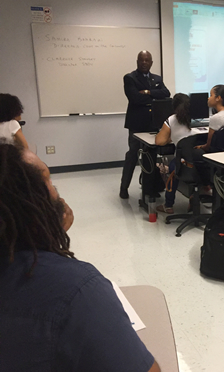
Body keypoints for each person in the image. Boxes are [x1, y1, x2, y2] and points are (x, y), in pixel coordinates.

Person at [0, 145, 160, 371]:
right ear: (28, 200)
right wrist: (50, 235)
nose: (57, 191)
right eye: (47, 181)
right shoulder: (76, 289)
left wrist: (44, 237)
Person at [121, 50, 170, 199]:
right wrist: (154, 96)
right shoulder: (130, 78)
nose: (144, 63)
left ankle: (149, 189)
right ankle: (124, 187)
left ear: (151, 63)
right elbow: (135, 99)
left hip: (153, 124)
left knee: (151, 156)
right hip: (136, 124)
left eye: (147, 60)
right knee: (133, 155)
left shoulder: (157, 78)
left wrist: (148, 92)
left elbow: (166, 93)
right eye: (141, 60)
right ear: (137, 62)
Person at [154, 93, 192, 214]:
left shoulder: (172, 119)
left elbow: (159, 141)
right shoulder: (197, 118)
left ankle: (168, 205)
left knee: (172, 167)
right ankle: (194, 198)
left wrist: (172, 137)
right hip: (199, 162)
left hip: (182, 163)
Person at [196, 84, 224, 154]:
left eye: (211, 95)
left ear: (218, 98)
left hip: (217, 154)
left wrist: (200, 147)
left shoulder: (216, 118)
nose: (208, 98)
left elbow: (208, 146)